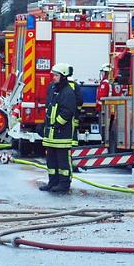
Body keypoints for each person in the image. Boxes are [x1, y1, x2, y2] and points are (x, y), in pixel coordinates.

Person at [40, 63, 77, 193]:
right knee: (51, 161)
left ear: (63, 76)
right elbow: (49, 107)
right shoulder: (52, 88)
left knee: (63, 162)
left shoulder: (68, 92)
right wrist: (45, 125)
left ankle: (64, 183)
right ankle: (52, 182)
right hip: (51, 135)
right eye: (53, 75)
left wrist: (56, 124)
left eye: (56, 75)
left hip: (62, 134)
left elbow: (68, 111)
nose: (53, 77)